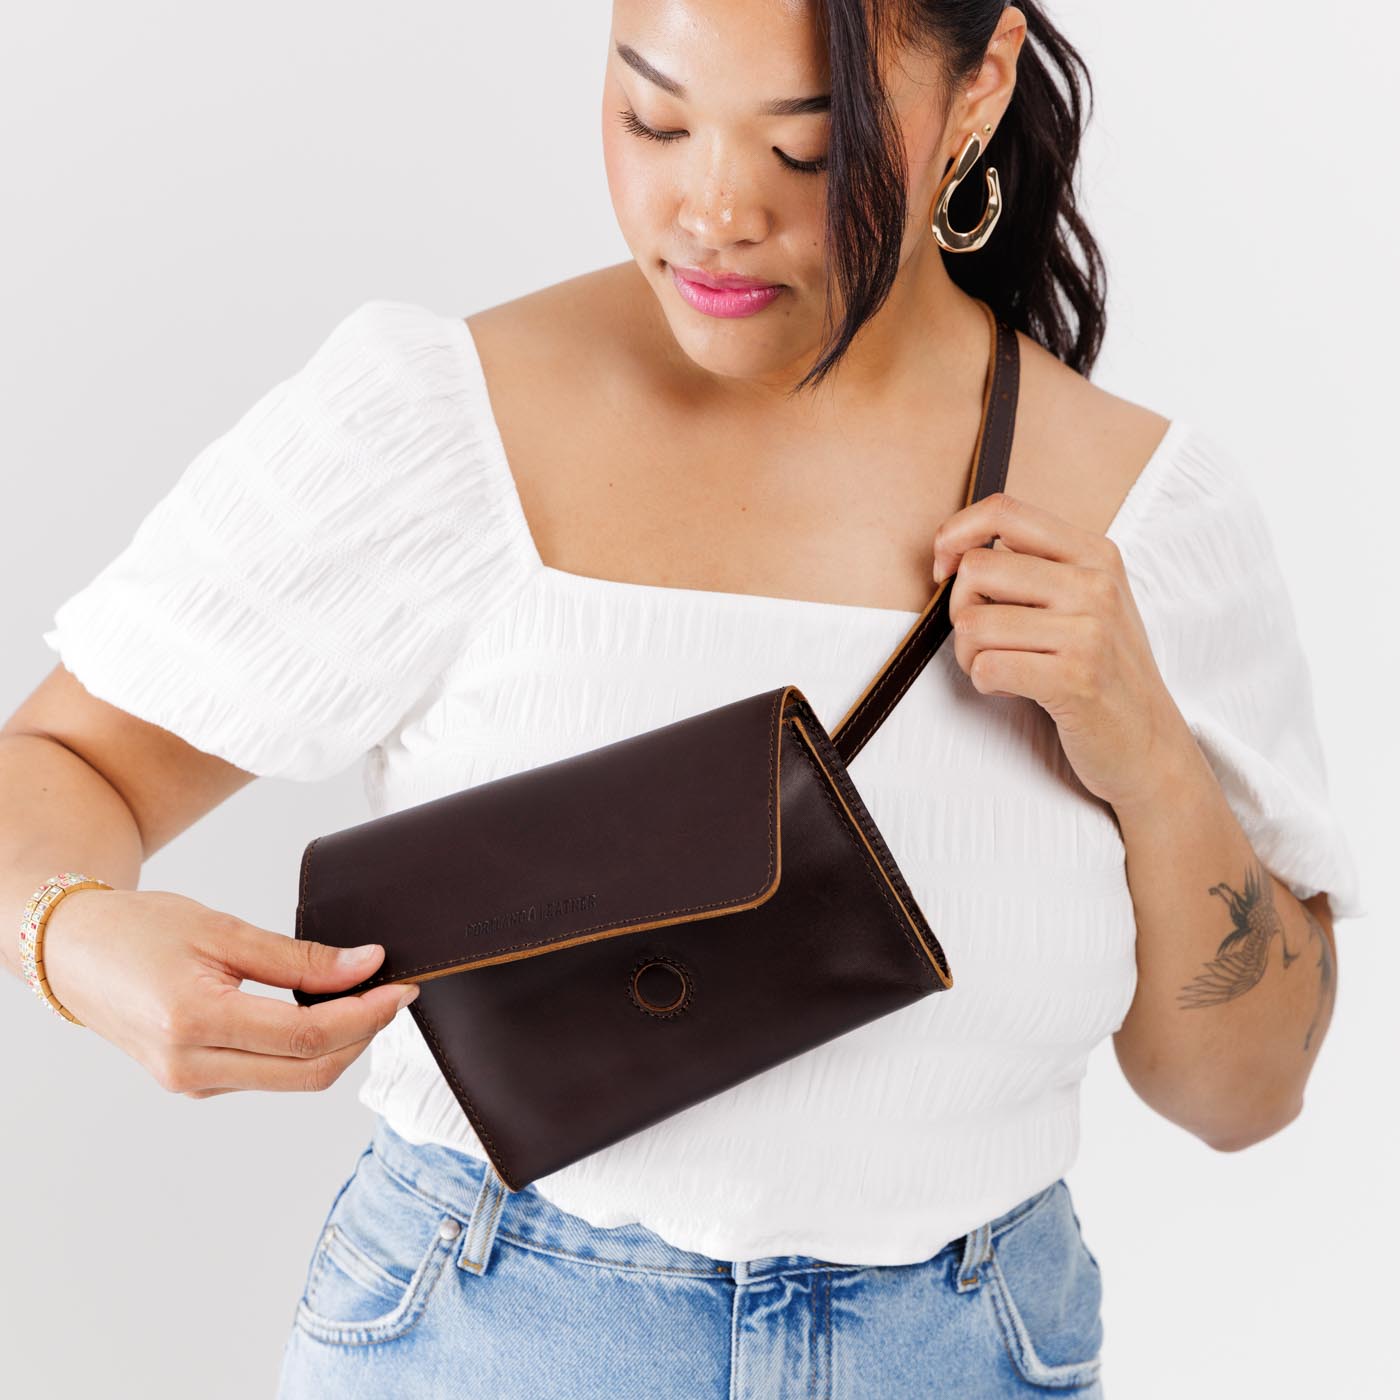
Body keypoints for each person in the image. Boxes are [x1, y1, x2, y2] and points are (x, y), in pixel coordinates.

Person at [3, 2, 1365, 1396]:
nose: (712, 213)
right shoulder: (443, 421)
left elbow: (1247, 1093)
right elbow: (58, 762)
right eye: (653, 118)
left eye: (808, 150)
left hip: (967, 1348)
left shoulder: (1146, 516)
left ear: (981, 87)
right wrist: (74, 940)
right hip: (493, 1339)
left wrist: (1147, 751)